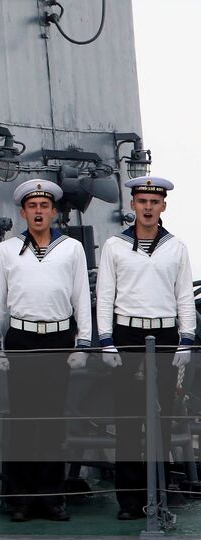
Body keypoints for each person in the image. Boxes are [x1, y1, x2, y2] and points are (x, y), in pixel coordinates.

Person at [0, 179, 89, 523]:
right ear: (23, 213)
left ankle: (51, 497)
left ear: (54, 212)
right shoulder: (7, 251)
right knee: (22, 420)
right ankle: (22, 499)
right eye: (32, 206)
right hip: (21, 339)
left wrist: (83, 341)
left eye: (44, 206)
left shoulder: (71, 249)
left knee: (53, 420)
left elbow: (81, 296)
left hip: (59, 339)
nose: (39, 211)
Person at [96, 175, 194, 520]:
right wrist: (106, 340)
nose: (148, 208)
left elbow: (184, 296)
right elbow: (105, 295)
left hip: (165, 335)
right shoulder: (115, 246)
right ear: (133, 205)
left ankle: (160, 495)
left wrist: (186, 338)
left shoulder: (176, 247)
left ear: (163, 206)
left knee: (161, 420)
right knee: (127, 420)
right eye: (142, 201)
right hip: (127, 335)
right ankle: (129, 501)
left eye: (154, 202)